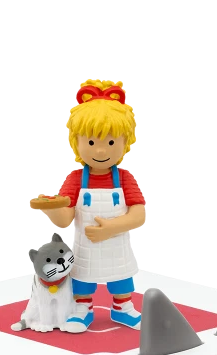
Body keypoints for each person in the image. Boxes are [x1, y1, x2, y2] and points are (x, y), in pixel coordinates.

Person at [33, 79, 146, 333]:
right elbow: (65, 219)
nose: (101, 151)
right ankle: (82, 309)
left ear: (125, 141)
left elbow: (139, 215)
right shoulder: (75, 179)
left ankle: (122, 308)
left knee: (121, 279)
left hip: (117, 246)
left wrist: (111, 228)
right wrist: (50, 208)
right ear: (77, 141)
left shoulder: (125, 178)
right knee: (82, 280)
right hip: (85, 249)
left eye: (111, 142)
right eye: (92, 142)